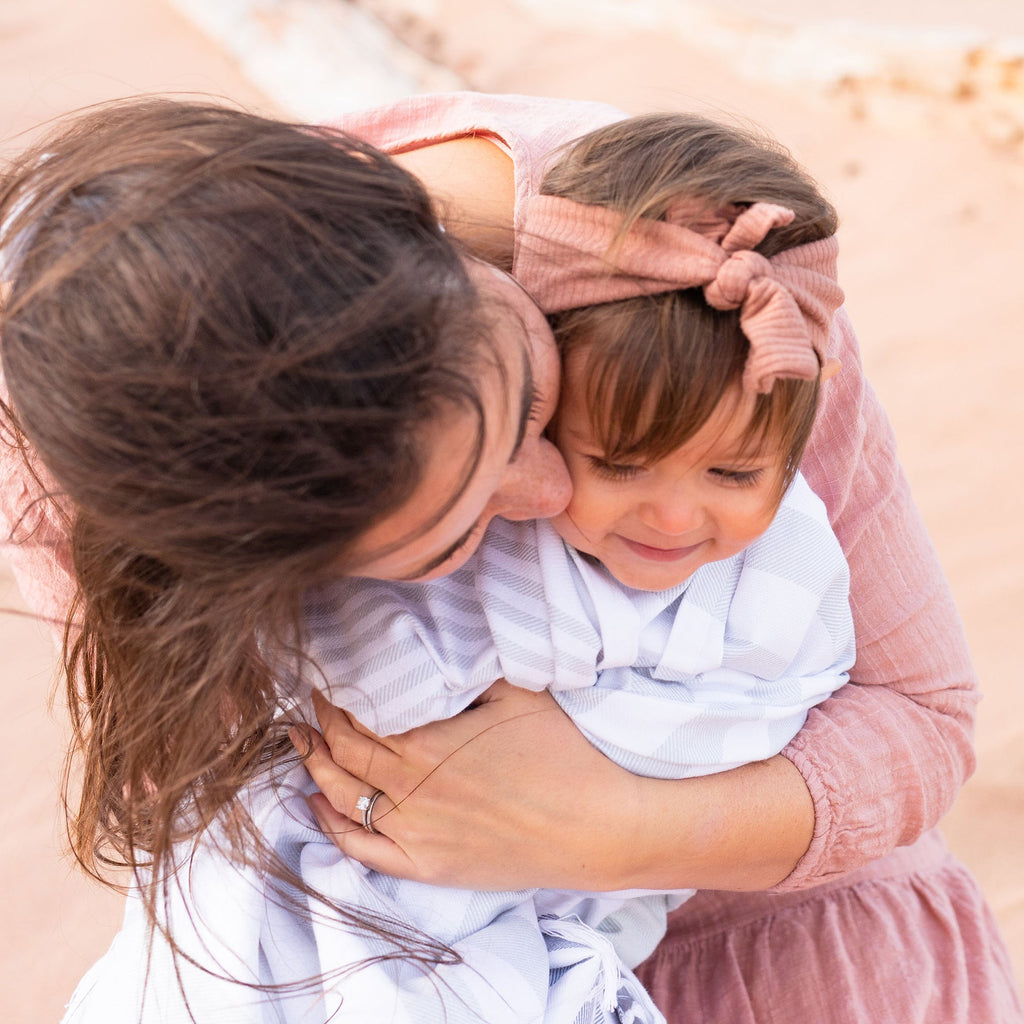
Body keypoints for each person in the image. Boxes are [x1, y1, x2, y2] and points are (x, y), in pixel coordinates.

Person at [0, 93, 1019, 1023]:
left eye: (532, 402)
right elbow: (219, 791)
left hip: (781, 904)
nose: (549, 492)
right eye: (451, 531)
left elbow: (920, 717)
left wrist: (607, 825)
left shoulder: (680, 268)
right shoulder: (81, 475)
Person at [292, 110, 854, 1021]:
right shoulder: (475, 516)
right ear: (539, 408)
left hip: (627, 895)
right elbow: (349, 674)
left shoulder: (786, 564)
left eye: (737, 472)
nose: (675, 518)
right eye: (619, 465)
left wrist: (606, 811)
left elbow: (787, 698)